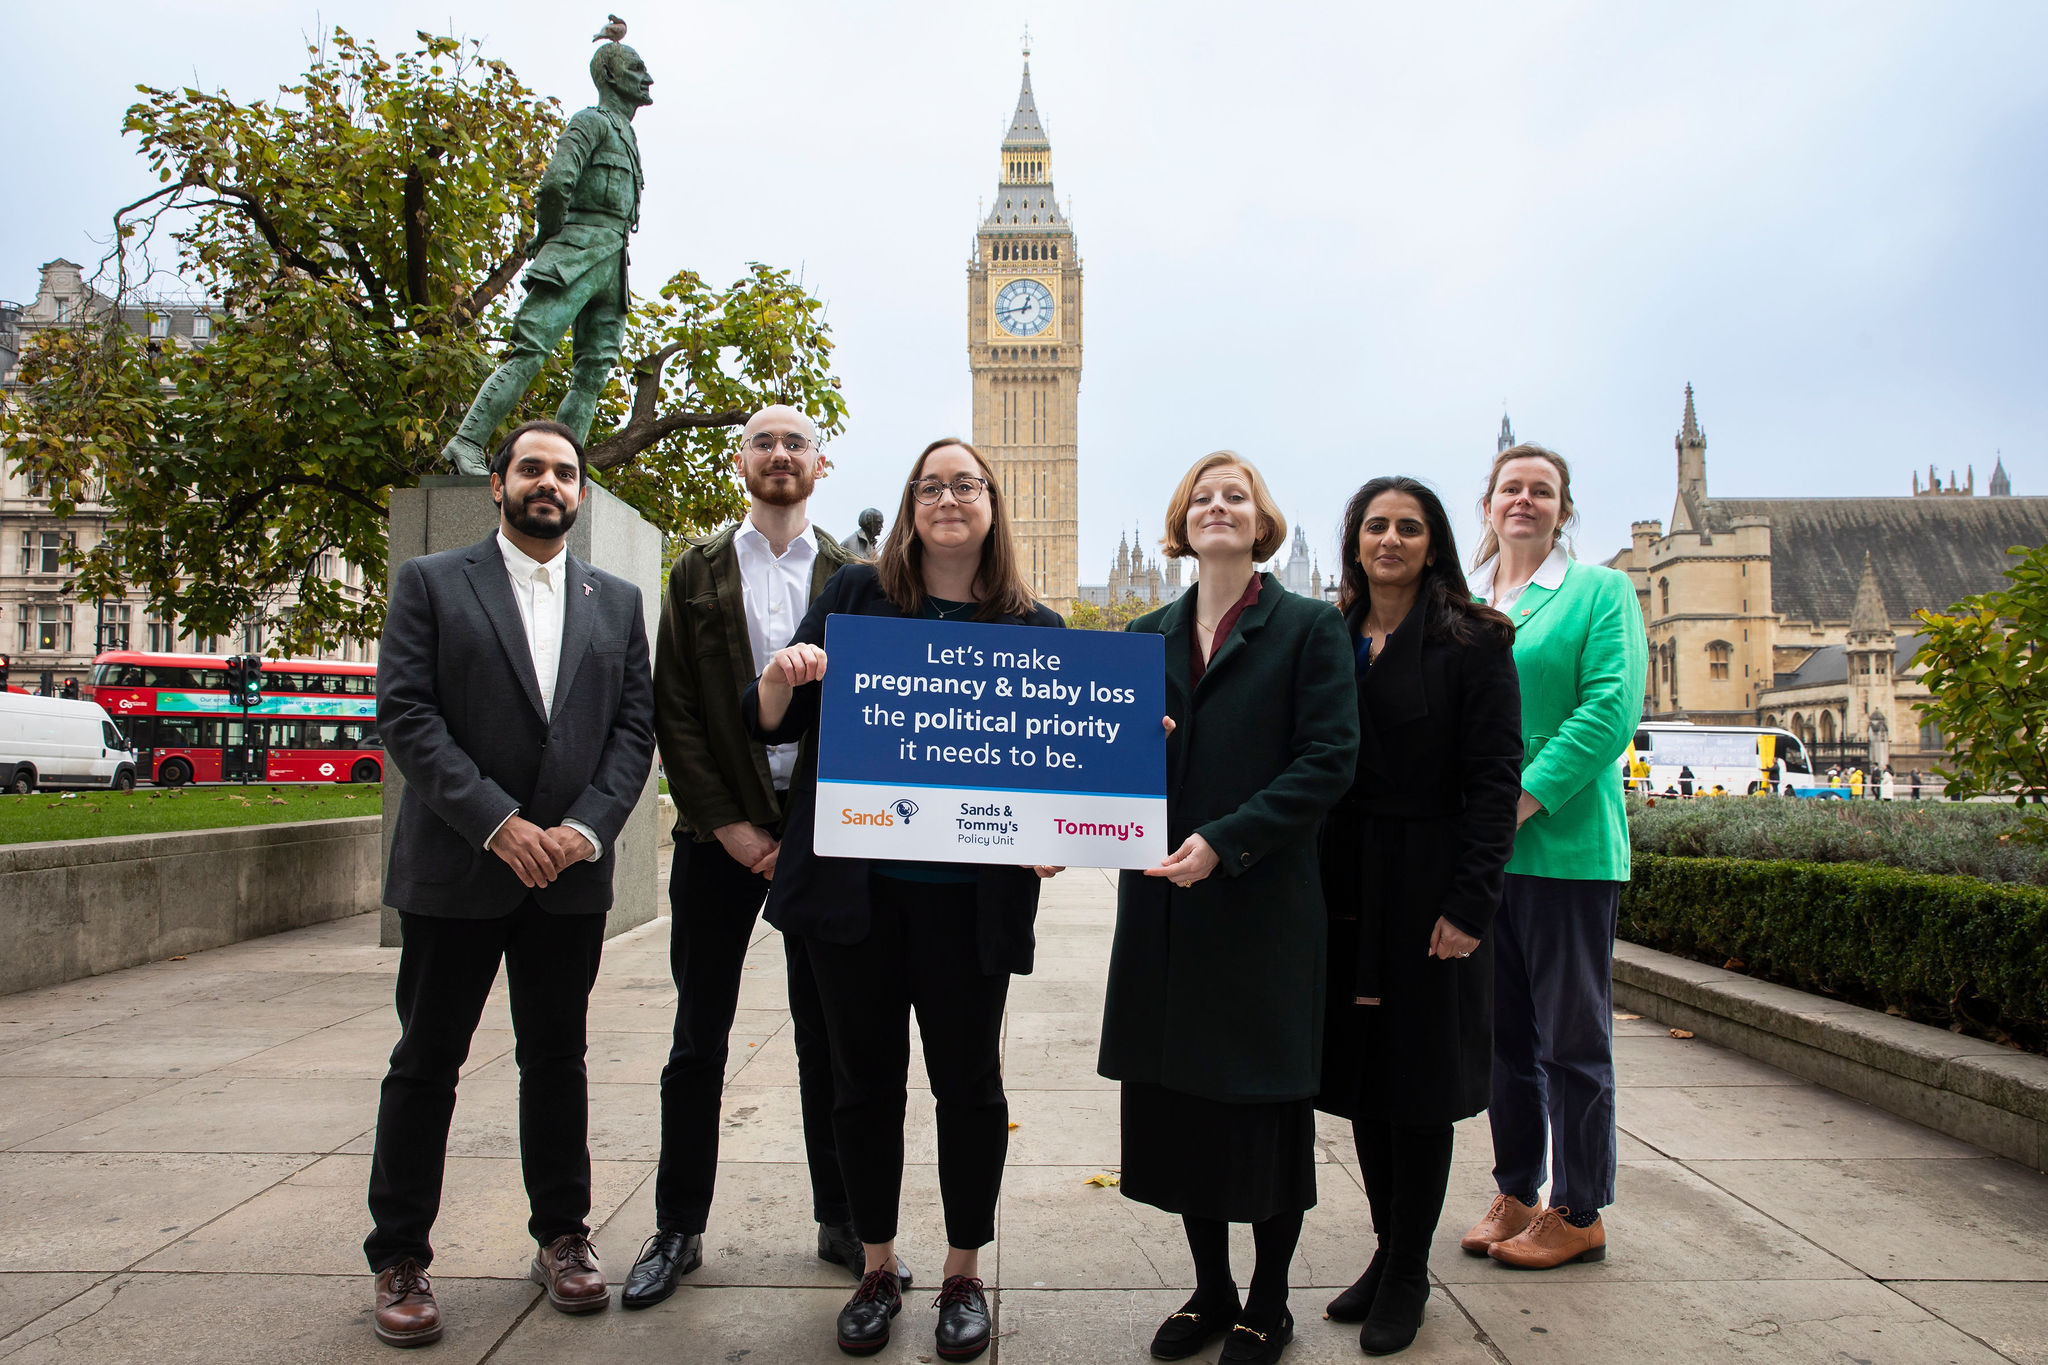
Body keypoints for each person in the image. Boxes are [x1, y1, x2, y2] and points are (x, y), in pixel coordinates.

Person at [743, 437, 1062, 1361]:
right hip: (859, 903)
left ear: (993, 504)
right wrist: (778, 679)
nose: (948, 499)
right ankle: (877, 1264)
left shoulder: (1035, 630)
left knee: (969, 1088)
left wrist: (1083, 805)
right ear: (911, 503)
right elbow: (782, 723)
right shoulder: (854, 598)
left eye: (966, 485)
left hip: (970, 910)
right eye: (931, 486)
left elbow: (1054, 777)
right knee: (863, 1087)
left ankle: (964, 1271)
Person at [365, 420, 656, 1346]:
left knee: (556, 1061)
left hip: (567, 878)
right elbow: (406, 715)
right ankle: (400, 1254)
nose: (549, 483)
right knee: (426, 1064)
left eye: (566, 473)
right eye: (531, 468)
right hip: (458, 867)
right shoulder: (431, 582)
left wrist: (581, 829)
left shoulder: (616, 600)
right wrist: (498, 823)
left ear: (580, 492)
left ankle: (564, 1236)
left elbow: (633, 734)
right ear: (497, 485)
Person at [623, 407, 910, 1308]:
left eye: (796, 443)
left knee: (830, 1034)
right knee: (697, 1037)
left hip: (828, 833)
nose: (780, 455)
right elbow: (676, 707)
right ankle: (679, 1225)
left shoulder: (860, 579)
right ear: (741, 461)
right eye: (764, 442)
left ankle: (841, 1216)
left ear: (822, 467)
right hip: (722, 838)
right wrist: (733, 826)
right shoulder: (695, 570)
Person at [1098, 451, 1360, 1365]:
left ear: (1261, 523)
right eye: (1202, 498)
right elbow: (1108, 776)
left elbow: (1328, 761)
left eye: (1235, 497)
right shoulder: (1143, 634)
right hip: (1168, 908)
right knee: (1182, 1111)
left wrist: (1227, 839)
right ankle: (1210, 1289)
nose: (1219, 508)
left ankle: (1268, 1300)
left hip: (1261, 908)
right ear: (1182, 522)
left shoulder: (1309, 629)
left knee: (1262, 1109)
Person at [1315, 477, 1521, 1356]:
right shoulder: (1329, 636)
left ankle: (1409, 1271)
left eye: (1407, 526)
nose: (1389, 539)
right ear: (1355, 541)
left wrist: (1471, 902)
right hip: (1344, 887)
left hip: (1430, 887)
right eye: (1374, 526)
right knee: (1365, 1082)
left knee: (1419, 1084)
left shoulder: (1475, 638)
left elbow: (1494, 779)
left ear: (1432, 541)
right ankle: (1385, 1248)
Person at [1459, 444, 1646, 1271]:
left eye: (1543, 490)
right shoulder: (1464, 603)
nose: (1525, 501)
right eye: (1512, 489)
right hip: (1482, 857)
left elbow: (1611, 708)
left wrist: (1519, 799)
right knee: (1502, 1037)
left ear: (1563, 508)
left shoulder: (1600, 591)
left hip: (1565, 848)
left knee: (1571, 1039)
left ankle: (1580, 1207)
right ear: (1489, 505)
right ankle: (1517, 1189)